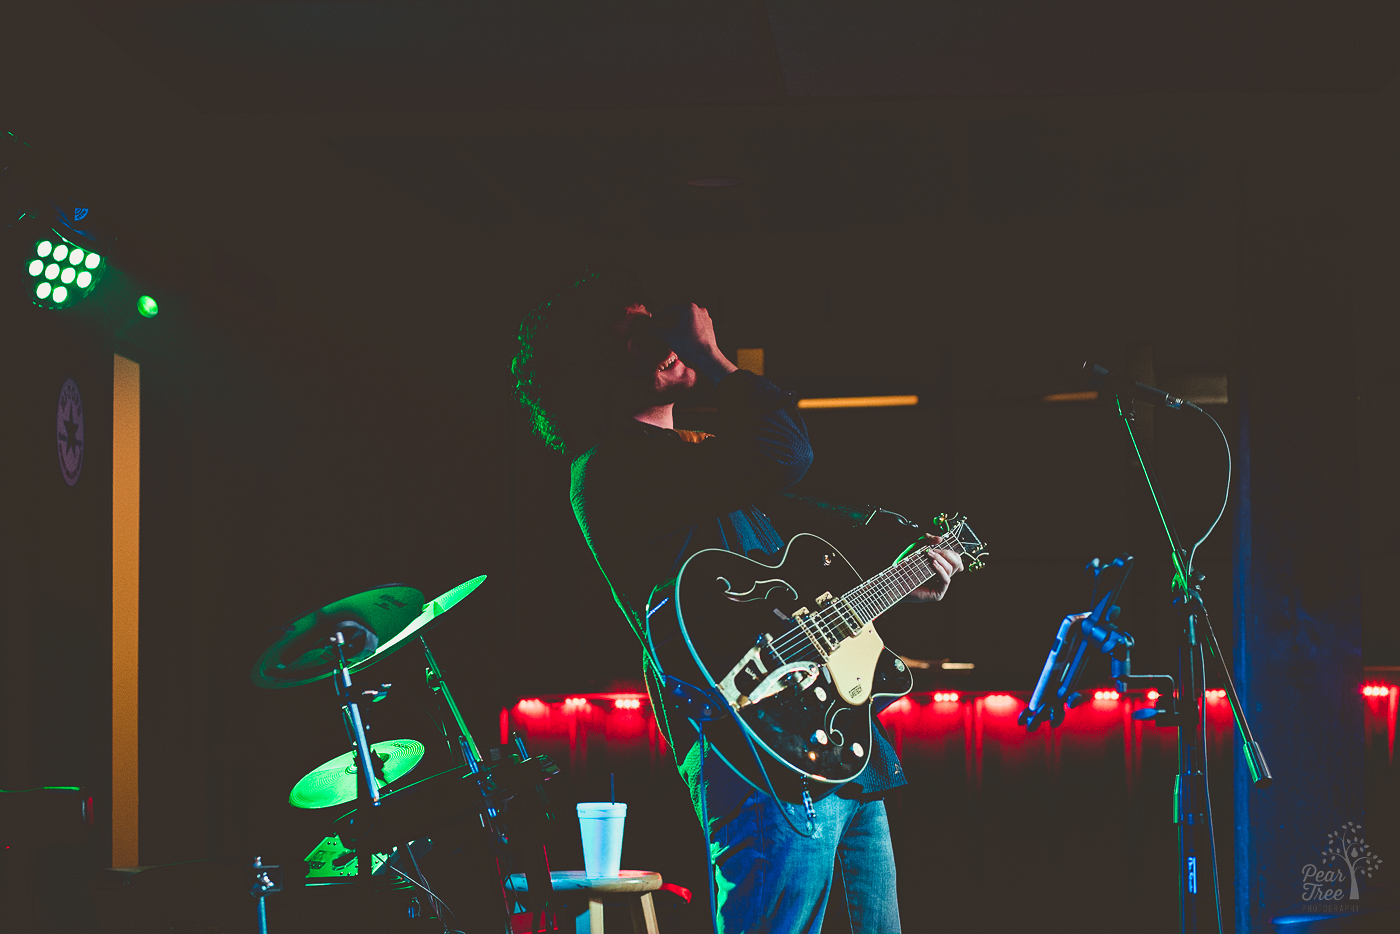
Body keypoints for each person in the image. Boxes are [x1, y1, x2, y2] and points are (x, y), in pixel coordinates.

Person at [512, 271, 964, 933]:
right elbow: (787, 452)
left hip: (833, 739)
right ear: (596, 369)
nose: (664, 341)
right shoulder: (614, 467)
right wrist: (716, 363)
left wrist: (893, 584)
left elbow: (787, 616)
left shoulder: (689, 460)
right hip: (760, 757)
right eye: (639, 335)